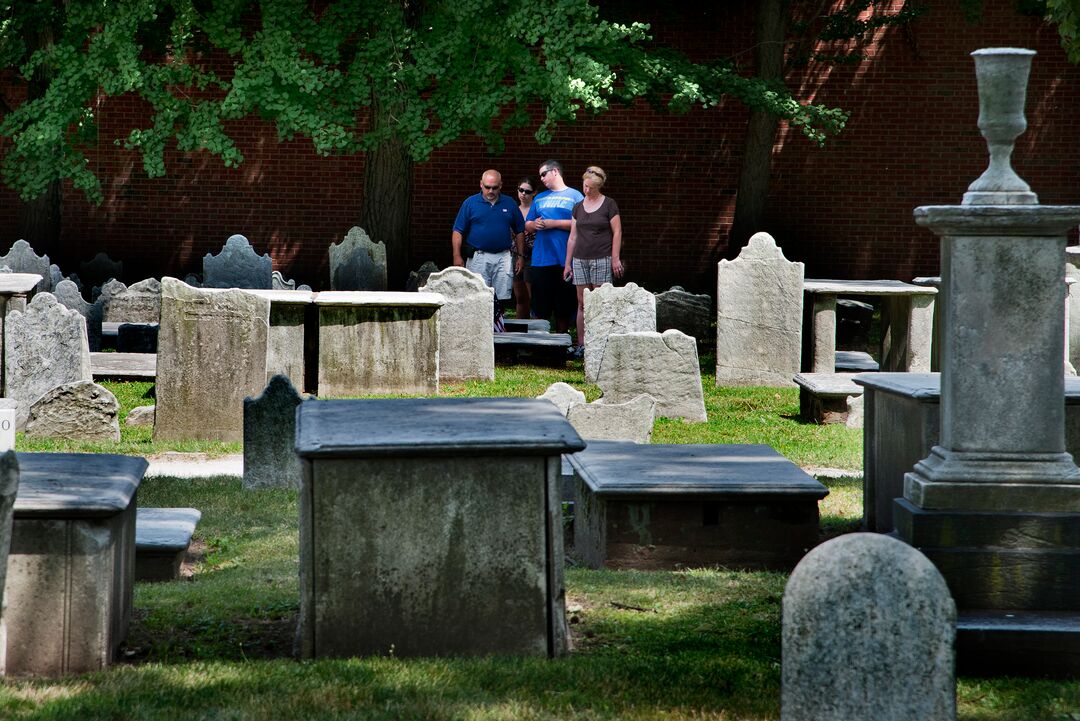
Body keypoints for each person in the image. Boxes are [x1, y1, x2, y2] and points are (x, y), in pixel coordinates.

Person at [451, 170, 524, 327]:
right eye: (487, 187)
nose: (491, 191)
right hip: (479, 256)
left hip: (504, 256)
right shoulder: (470, 203)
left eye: (495, 187)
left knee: (502, 296)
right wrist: (457, 255)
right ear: (481, 184)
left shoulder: (509, 203)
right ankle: (477, 329)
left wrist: (520, 256)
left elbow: (519, 231)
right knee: (477, 295)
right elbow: (458, 231)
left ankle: (498, 329)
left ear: (501, 186)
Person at [564, 165, 623, 358]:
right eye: (584, 185)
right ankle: (582, 344)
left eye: (589, 187)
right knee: (582, 303)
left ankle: (600, 342)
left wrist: (615, 258)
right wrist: (567, 263)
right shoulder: (578, 207)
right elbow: (572, 237)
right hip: (580, 259)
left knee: (600, 301)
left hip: (602, 258)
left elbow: (617, 232)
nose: (586, 189)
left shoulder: (609, 204)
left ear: (598, 187)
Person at [525, 160, 583, 338]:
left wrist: (554, 223)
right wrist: (534, 224)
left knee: (563, 305)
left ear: (555, 171)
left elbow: (581, 224)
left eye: (544, 174)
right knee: (541, 304)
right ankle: (540, 342)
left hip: (565, 260)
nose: (541, 178)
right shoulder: (540, 198)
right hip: (542, 259)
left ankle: (561, 341)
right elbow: (527, 224)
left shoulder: (575, 196)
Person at [513, 177, 536, 319]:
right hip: (515, 255)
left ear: (534, 193)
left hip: (533, 256)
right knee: (520, 297)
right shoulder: (513, 210)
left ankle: (534, 329)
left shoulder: (537, 209)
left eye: (527, 191)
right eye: (521, 190)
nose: (523, 194)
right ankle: (519, 330)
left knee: (531, 296)